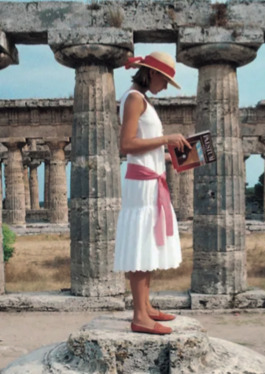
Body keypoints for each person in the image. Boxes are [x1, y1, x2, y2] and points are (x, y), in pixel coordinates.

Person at [114, 51, 191, 335]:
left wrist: (173, 158)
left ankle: (145, 307)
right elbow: (127, 144)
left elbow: (145, 147)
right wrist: (167, 138)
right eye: (166, 79)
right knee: (141, 243)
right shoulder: (134, 98)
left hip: (151, 179)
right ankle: (139, 316)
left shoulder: (142, 100)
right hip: (142, 184)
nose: (167, 86)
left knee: (147, 243)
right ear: (152, 73)